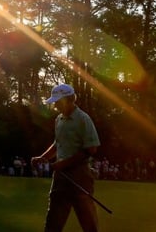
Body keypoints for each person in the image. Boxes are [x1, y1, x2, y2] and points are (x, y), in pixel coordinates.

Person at [31, 84, 101, 232]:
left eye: (58, 101)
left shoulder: (83, 119)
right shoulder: (59, 120)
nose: (55, 104)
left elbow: (91, 149)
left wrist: (63, 164)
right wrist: (42, 158)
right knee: (53, 223)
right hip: (61, 177)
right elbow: (58, 144)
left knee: (88, 223)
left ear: (70, 99)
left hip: (80, 175)